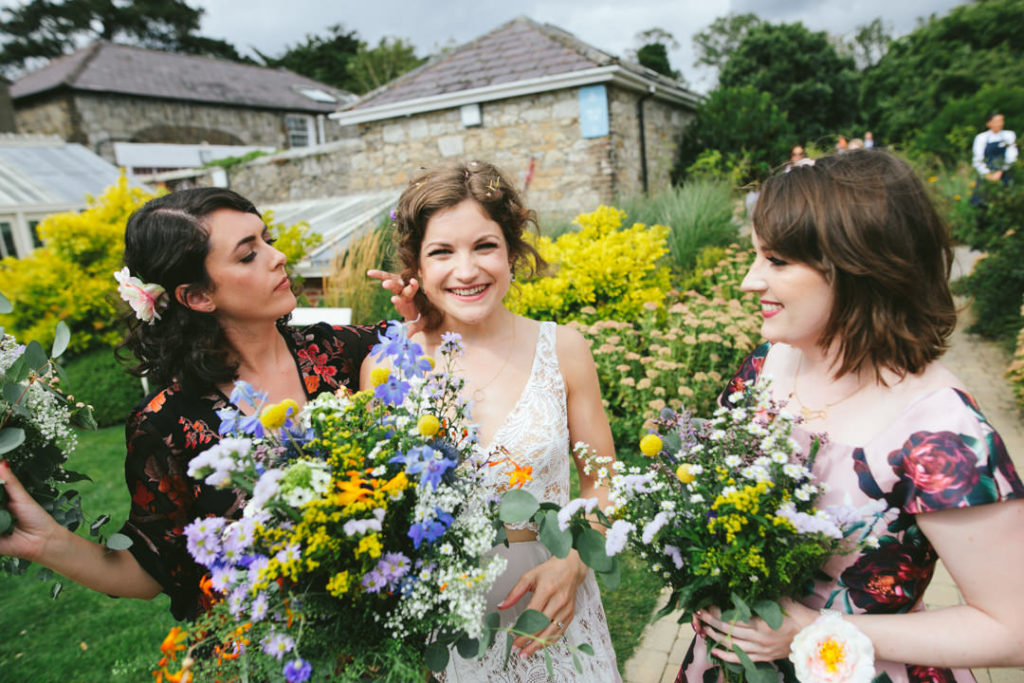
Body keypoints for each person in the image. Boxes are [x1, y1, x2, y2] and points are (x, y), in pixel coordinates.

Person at [676, 150, 1024, 682]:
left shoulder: (942, 433)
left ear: (858, 267)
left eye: (776, 261)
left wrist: (814, 630)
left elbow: (1011, 627)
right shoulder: (767, 364)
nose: (750, 281)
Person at [0, 187, 419, 621]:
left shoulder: (343, 352)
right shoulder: (167, 424)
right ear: (198, 296)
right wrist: (46, 542)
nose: (277, 257)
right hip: (272, 648)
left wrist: (413, 322)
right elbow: (152, 567)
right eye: (247, 255)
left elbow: (423, 343)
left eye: (267, 240)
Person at [375, 160, 621, 681]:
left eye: (484, 246)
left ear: (511, 252)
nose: (467, 271)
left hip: (554, 618)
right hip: (451, 630)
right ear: (416, 266)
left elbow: (605, 481)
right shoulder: (388, 367)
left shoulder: (564, 349)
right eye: (442, 251)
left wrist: (575, 560)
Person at [972, 111, 1017, 186]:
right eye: (996, 121)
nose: (999, 124)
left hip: (1005, 173)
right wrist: (987, 174)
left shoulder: (1009, 135)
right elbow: (977, 159)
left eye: (1001, 121)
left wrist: (1000, 171)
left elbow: (1012, 156)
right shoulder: (981, 138)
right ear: (989, 123)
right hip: (986, 174)